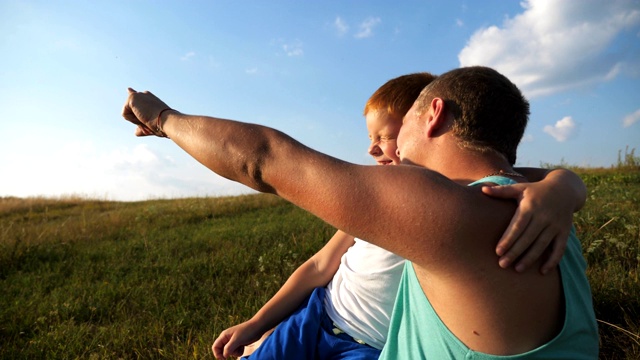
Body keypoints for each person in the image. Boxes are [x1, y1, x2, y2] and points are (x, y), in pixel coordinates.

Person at [122, 66, 598, 358]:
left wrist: (163, 118)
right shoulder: (526, 201)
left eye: (406, 117)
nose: (381, 147)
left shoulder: (451, 213)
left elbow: (263, 159)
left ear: (432, 114)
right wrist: (565, 183)